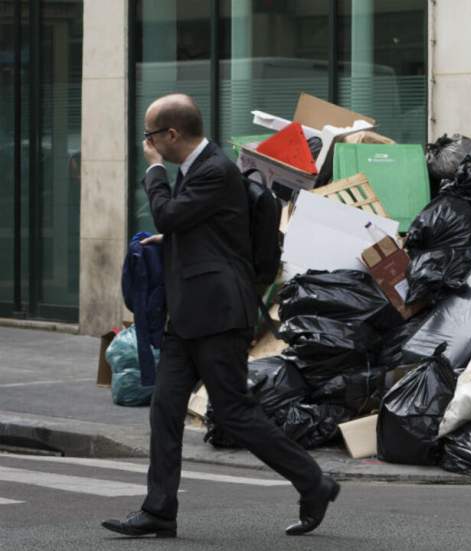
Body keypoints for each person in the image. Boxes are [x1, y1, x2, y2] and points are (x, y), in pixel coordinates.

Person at [102, 94, 339, 538]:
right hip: (191, 311)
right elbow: (201, 229)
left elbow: (171, 213)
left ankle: (314, 482)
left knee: (233, 412)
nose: (148, 144)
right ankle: (159, 510)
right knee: (165, 408)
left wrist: (154, 172)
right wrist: (166, 241)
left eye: (151, 137)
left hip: (216, 313)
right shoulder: (202, 169)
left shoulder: (213, 170)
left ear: (171, 135)